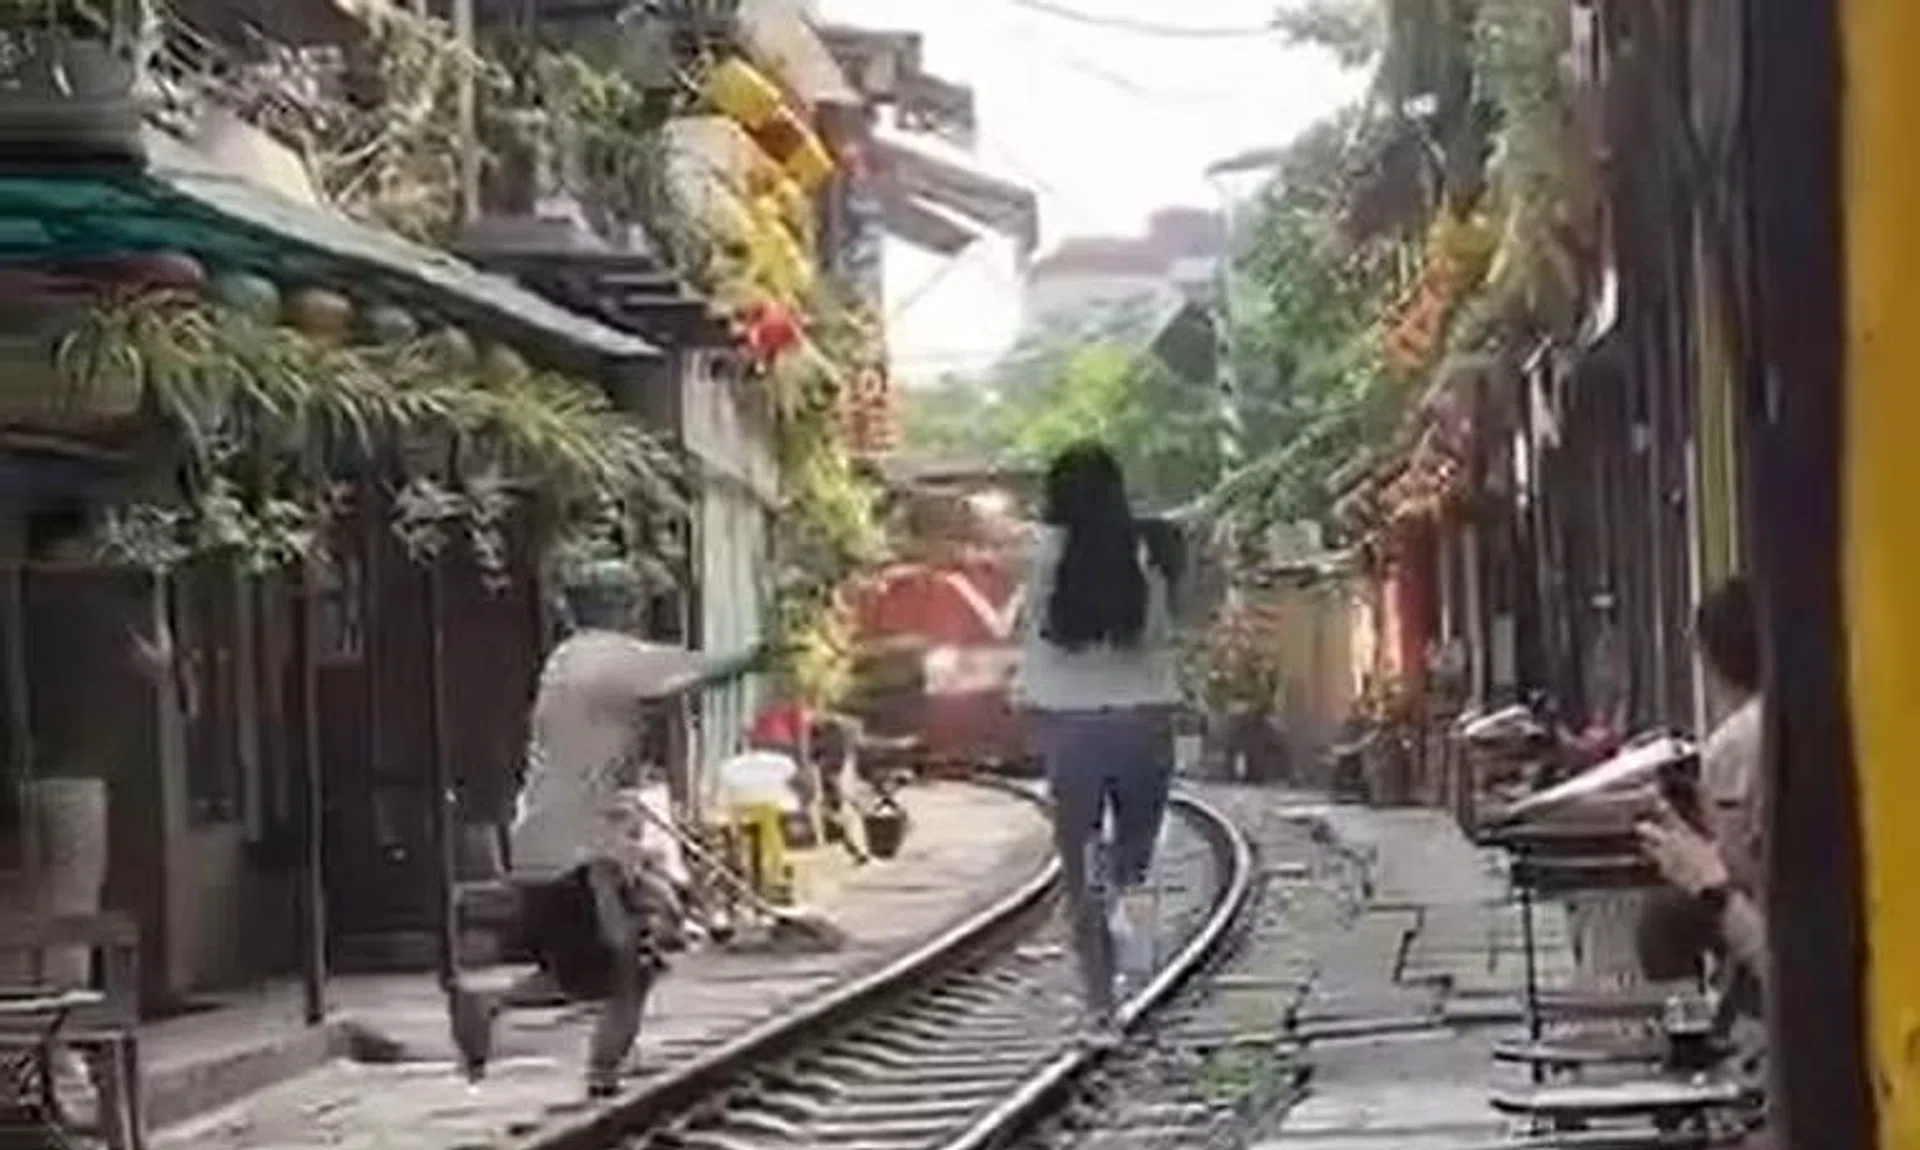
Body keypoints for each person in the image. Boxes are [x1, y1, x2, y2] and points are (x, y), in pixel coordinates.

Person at [447, 567, 684, 1099]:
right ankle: (603, 1074)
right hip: (580, 856)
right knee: (629, 965)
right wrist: (606, 881)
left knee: (579, 973)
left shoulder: (566, 671)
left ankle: (491, 1006)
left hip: (544, 847)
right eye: (627, 604)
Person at [1012, 442, 1183, 1042]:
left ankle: (1099, 1005)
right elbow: (1165, 629)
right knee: (1130, 865)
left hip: (1070, 727)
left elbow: (1026, 631)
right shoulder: (1154, 546)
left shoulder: (1039, 553)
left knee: (1080, 869)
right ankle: (1135, 955)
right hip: (1145, 721)